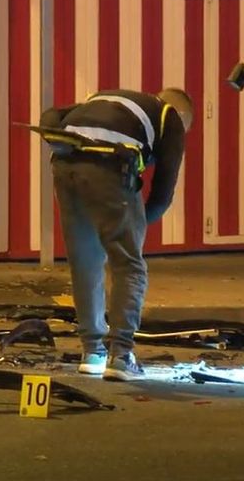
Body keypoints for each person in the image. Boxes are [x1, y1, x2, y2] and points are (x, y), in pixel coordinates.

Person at [38, 88, 193, 382]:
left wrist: (51, 138)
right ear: (182, 115)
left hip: (65, 163)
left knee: (85, 260)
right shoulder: (170, 117)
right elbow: (162, 193)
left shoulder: (106, 97)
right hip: (110, 163)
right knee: (129, 264)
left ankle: (92, 352)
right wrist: (136, 228)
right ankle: (121, 355)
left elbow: (53, 114)